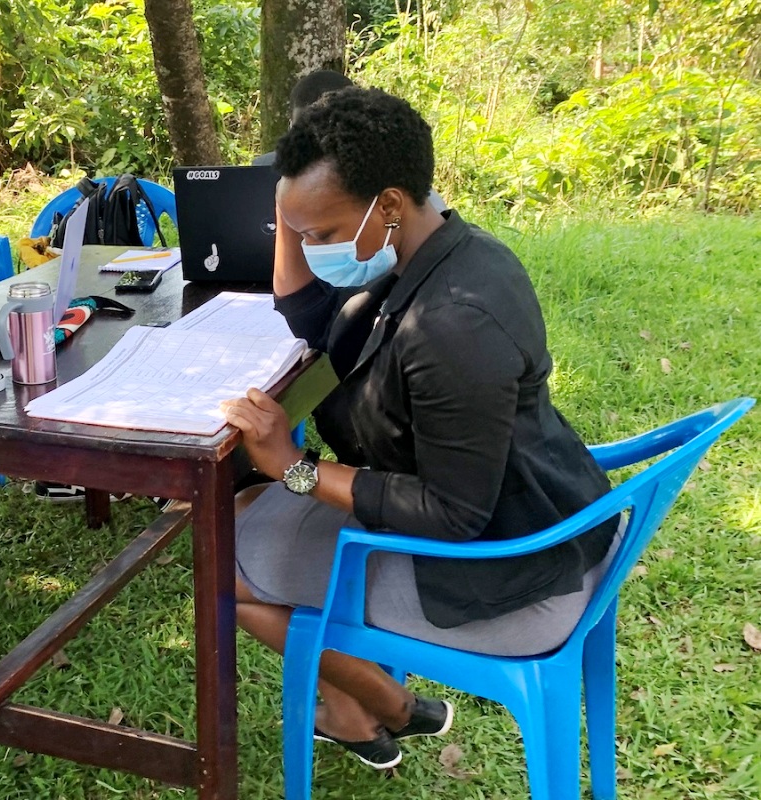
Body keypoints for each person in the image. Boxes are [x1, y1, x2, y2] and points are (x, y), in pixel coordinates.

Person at [221, 88, 620, 769]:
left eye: (321, 233)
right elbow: (311, 315)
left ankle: (389, 705)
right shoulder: (433, 254)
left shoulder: (454, 322)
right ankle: (354, 711)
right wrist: (291, 214)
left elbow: (452, 513)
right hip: (526, 504)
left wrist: (297, 467)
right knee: (241, 510)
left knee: (221, 567)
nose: (311, 248)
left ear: (390, 205)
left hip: (511, 571)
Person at [253, 69, 447, 213]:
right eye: (302, 136)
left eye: (326, 140)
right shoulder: (264, 172)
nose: (313, 154)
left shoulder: (393, 182)